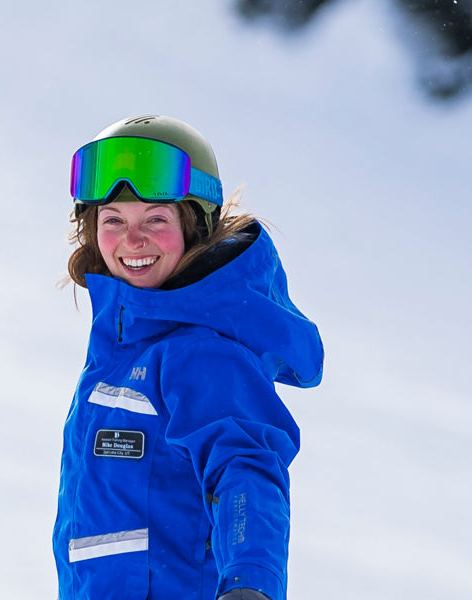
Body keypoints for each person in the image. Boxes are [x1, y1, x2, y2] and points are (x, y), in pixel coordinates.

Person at [53, 115, 323, 600]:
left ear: (195, 225)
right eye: (112, 220)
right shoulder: (122, 349)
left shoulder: (203, 352)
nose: (132, 241)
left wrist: (250, 583)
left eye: (155, 219)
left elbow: (245, 469)